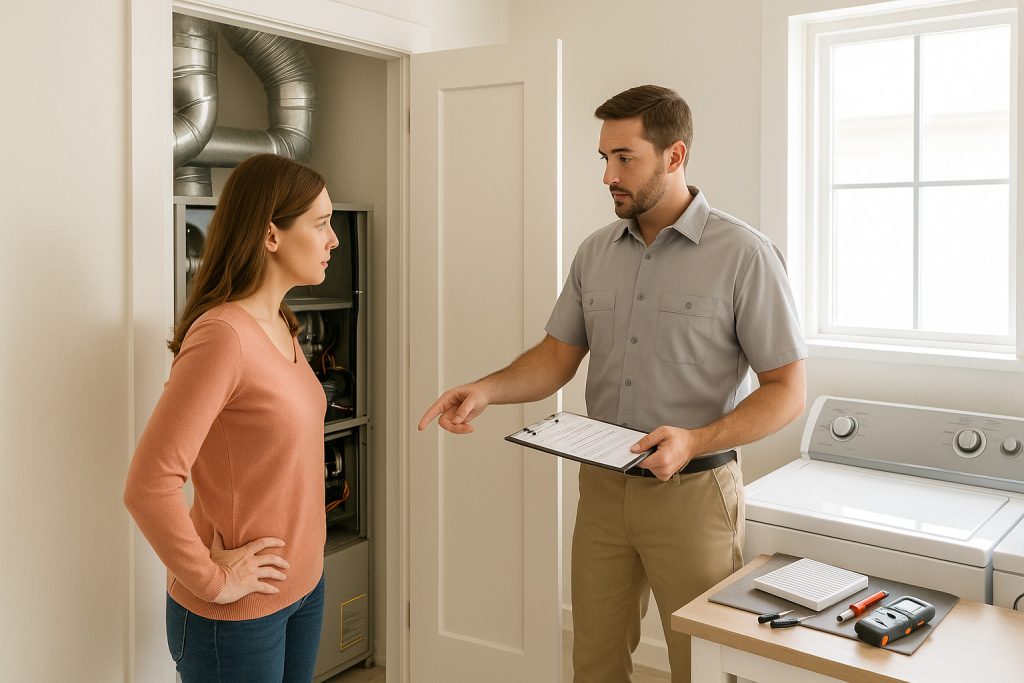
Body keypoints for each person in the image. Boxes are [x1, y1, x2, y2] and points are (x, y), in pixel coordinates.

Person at [418, 85, 807, 682]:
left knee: (700, 666)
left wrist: (694, 441)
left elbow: (787, 388)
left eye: (625, 158)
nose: (608, 175)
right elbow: (557, 355)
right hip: (603, 489)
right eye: (604, 158)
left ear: (674, 157)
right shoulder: (595, 252)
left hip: (695, 495)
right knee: (594, 660)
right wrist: (486, 389)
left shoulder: (745, 255)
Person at [124, 153, 339, 682]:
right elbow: (149, 484)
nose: (334, 239)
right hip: (238, 618)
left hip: (303, 589)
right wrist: (212, 581)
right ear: (271, 236)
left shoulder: (283, 323)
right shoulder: (223, 336)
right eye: (320, 224)